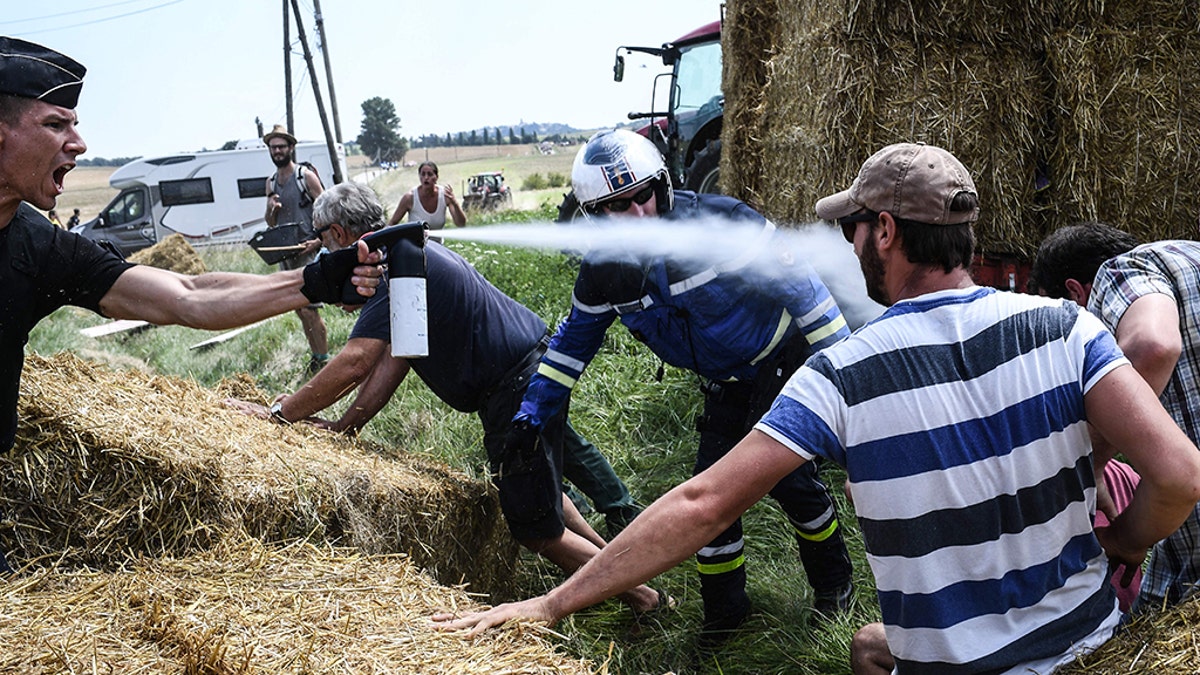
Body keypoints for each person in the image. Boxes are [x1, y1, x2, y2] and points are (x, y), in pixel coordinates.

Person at [435, 142, 1200, 675]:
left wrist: (555, 601)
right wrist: (1126, 546)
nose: (843, 243)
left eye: (852, 226)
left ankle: (819, 582)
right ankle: (756, 600)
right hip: (1091, 640)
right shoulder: (1068, 327)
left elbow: (702, 502)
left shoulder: (841, 373)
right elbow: (1178, 474)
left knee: (862, 631)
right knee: (870, 638)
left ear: (887, 233)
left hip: (954, 660)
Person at [0, 36, 383, 570]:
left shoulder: (40, 247)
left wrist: (316, 281)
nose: (79, 143)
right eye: (55, 124)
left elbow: (190, 296)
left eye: (75, 124)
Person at [507, 129, 856, 649]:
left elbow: (813, 303)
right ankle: (726, 613)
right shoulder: (604, 274)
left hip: (782, 360)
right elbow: (570, 348)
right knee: (710, 495)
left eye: (642, 196)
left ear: (663, 187)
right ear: (592, 216)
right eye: (614, 206)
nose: (637, 215)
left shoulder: (726, 224)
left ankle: (835, 588)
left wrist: (854, 395)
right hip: (724, 382)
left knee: (789, 480)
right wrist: (531, 414)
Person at [226, 181, 650, 577]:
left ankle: (639, 593)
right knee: (542, 491)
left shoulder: (394, 266)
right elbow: (397, 358)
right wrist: (344, 427)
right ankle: (618, 563)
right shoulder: (402, 250)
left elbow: (356, 362)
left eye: (321, 238)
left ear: (337, 233)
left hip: (516, 386)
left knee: (536, 531)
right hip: (529, 371)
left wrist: (280, 415)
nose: (320, 247)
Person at [1032, 221, 1200, 613]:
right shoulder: (1189, 260)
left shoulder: (1125, 270)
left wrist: (1093, 461)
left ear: (1075, 294)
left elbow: (1152, 346)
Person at [263, 123, 329, 374]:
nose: (277, 151)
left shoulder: (305, 176)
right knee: (300, 310)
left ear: (291, 147)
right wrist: (272, 209)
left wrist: (319, 241)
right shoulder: (270, 183)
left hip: (308, 251)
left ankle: (323, 359)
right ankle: (317, 356)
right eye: (273, 147)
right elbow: (270, 222)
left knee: (310, 310)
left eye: (281, 146)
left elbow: (327, 210)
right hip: (285, 253)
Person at [387, 161, 467, 234]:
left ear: (436, 177)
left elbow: (461, 224)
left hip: (437, 246)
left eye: (430, 174)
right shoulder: (409, 198)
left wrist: (455, 203)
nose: (426, 177)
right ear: (419, 177)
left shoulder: (445, 196)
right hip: (415, 246)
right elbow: (392, 223)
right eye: (423, 174)